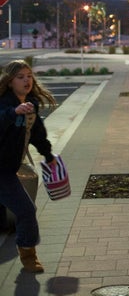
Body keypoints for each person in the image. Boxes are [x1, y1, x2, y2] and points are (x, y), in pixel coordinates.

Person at [0, 60, 58, 272]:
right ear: (9, 82)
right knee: (26, 211)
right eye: (20, 77)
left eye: (29, 76)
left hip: (6, 170)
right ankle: (28, 256)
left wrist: (48, 155)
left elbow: (37, 134)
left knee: (23, 210)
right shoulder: (5, 104)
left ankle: (28, 256)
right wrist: (13, 112)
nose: (26, 80)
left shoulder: (30, 105)